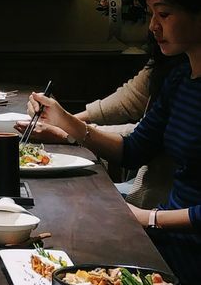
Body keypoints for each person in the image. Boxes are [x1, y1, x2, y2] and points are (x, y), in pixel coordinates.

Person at [28, 0, 201, 285]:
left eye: (163, 14)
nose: (153, 26)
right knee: (45, 235)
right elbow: (135, 148)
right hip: (160, 238)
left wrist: (148, 219)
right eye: (151, 13)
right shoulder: (180, 78)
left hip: (185, 253)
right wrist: (66, 121)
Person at [26, 45, 175, 208]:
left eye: (165, 17)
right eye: (152, 17)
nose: (153, 25)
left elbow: (140, 143)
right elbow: (133, 117)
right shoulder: (174, 70)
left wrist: (67, 129)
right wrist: (64, 121)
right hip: (147, 195)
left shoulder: (181, 78)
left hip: (156, 201)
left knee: (61, 202)